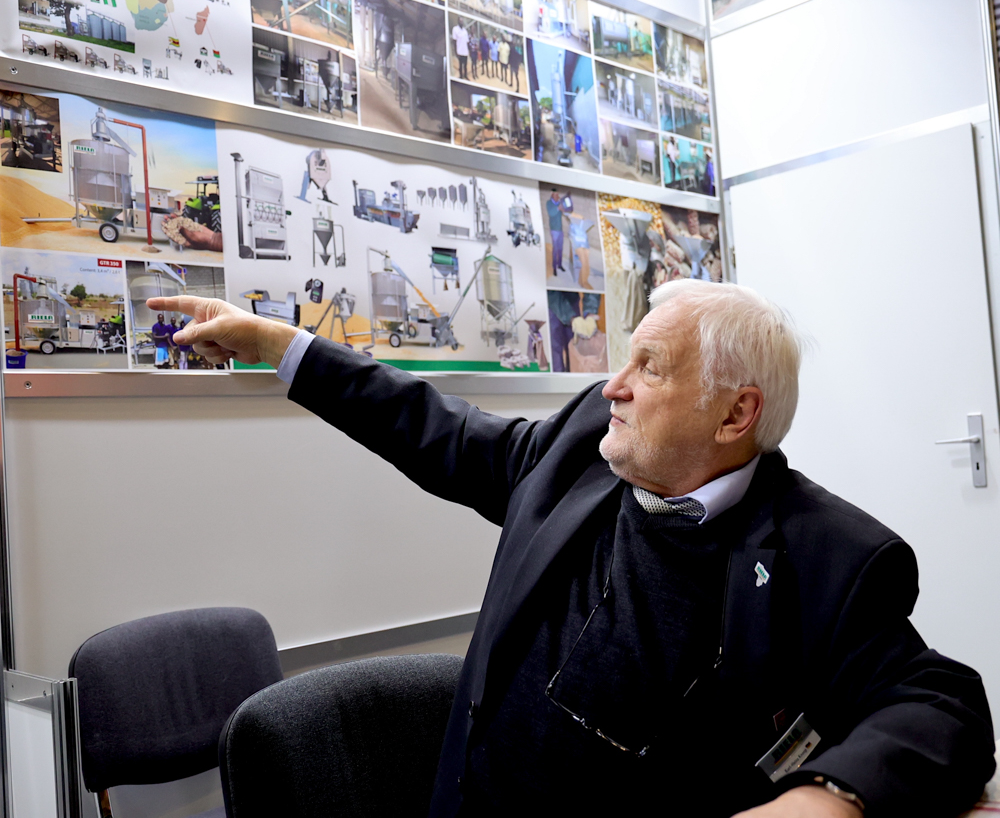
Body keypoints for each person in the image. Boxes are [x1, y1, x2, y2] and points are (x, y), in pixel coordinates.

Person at [147, 282, 995, 818]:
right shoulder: (579, 449)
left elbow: (943, 704)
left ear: (735, 415)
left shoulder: (830, 556)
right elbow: (429, 425)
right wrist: (277, 346)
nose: (613, 386)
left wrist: (829, 798)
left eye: (650, 368)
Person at [545, 187, 573, 278]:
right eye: (556, 194)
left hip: (560, 230)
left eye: (558, 194)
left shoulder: (559, 203)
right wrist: (558, 208)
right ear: (552, 194)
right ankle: (554, 267)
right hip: (554, 230)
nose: (557, 196)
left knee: (560, 248)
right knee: (555, 249)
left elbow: (563, 212)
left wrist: (565, 211)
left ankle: (559, 265)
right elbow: (551, 213)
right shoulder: (549, 203)